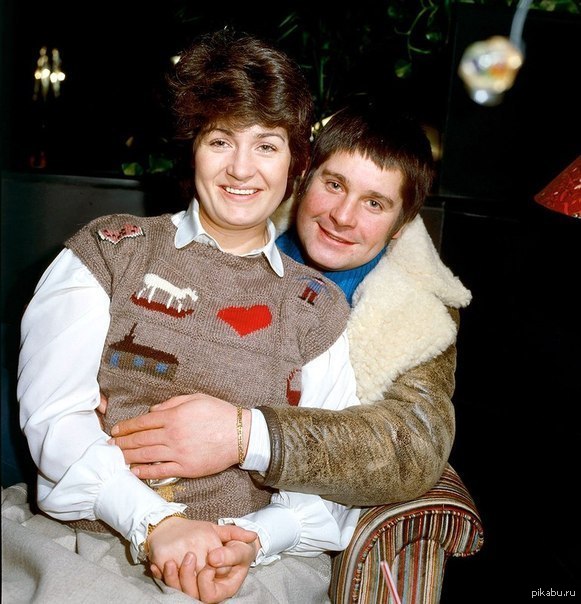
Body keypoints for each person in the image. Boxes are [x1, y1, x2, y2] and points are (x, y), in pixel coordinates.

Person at [8, 29, 361, 604]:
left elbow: (326, 474)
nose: (241, 169)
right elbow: (54, 420)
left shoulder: (316, 306)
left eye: (267, 146)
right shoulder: (109, 252)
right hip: (92, 544)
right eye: (220, 140)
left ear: (295, 163)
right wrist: (157, 525)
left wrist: (249, 541)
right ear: (191, 147)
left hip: (251, 565)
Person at [108, 97, 473, 533]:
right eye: (334, 185)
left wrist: (245, 435)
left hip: (280, 523)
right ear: (303, 178)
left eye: (374, 204)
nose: (342, 216)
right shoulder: (231, 228)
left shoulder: (421, 317)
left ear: (400, 226)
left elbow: (413, 448)